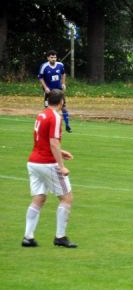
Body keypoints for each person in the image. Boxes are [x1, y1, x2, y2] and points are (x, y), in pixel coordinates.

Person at [22, 89, 77, 248]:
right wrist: (61, 166)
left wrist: (60, 152)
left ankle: (28, 237)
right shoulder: (56, 117)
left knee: (39, 198)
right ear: (61, 101)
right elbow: (53, 142)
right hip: (47, 163)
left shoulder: (42, 114)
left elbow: (43, 141)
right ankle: (60, 237)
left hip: (33, 162)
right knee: (66, 198)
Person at [38, 50, 71, 132]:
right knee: (48, 109)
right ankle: (46, 126)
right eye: (52, 57)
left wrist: (63, 83)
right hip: (49, 91)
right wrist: (45, 87)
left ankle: (67, 125)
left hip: (59, 90)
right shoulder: (44, 66)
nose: (54, 59)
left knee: (63, 107)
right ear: (48, 58)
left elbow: (63, 74)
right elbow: (40, 77)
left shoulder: (60, 65)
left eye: (55, 57)